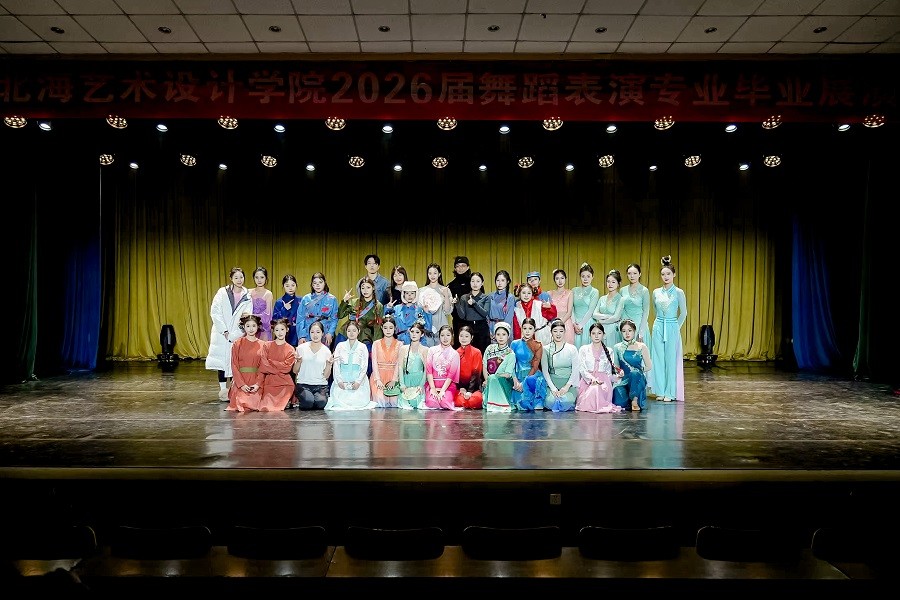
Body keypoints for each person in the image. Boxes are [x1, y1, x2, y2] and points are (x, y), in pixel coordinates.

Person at [206, 266, 253, 401]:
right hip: (221, 333)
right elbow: (215, 312)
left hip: (237, 334)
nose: (239, 280)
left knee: (234, 362)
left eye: (241, 277)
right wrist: (224, 331)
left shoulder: (247, 296)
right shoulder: (222, 293)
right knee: (221, 361)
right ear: (231, 278)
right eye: (236, 277)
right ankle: (222, 391)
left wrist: (237, 333)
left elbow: (247, 316)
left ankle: (233, 390)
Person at [650, 255, 688, 402]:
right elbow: (655, 310)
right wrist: (659, 323)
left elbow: (683, 313)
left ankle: (670, 392)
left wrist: (676, 327)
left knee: (671, 360)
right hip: (658, 326)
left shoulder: (679, 292)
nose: (665, 277)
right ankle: (660, 391)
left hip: (672, 326)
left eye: (668, 274)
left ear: (674, 275)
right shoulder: (656, 292)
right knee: (658, 359)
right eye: (663, 274)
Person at [336, 277, 384, 374]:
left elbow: (378, 327)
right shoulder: (354, 302)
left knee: (367, 360)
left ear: (373, 288)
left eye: (368, 287)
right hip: (347, 332)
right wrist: (344, 301)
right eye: (363, 288)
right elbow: (340, 315)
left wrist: (376, 344)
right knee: (339, 358)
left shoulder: (378, 306)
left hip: (365, 336)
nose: (365, 290)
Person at [325, 320, 374, 410]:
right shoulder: (340, 346)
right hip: (342, 379)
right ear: (346, 331)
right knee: (339, 402)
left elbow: (364, 366)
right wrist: (339, 381)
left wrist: (358, 382)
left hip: (358, 380)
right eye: (349, 331)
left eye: (354, 330)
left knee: (357, 403)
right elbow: (336, 365)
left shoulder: (362, 347)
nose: (351, 333)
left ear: (358, 331)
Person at [576, 323, 623, 413]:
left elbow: (609, 373)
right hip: (587, 382)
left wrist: (618, 377)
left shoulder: (609, 351)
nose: (596, 336)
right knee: (593, 389)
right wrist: (592, 379)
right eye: (593, 333)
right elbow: (582, 368)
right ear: (589, 335)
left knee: (596, 389)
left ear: (603, 335)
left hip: (603, 383)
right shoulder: (584, 349)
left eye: (599, 333)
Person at [226, 314, 264, 413]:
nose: (251, 329)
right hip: (241, 380)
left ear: (258, 327)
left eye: (253, 326)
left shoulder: (263, 345)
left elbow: (263, 367)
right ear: (243, 327)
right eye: (248, 326)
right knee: (242, 402)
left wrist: (258, 384)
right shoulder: (237, 343)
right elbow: (234, 365)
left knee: (256, 403)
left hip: (256, 380)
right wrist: (241, 384)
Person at [612, 319, 653, 412]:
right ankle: (629, 400)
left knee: (634, 373)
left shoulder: (642, 346)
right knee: (619, 403)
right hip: (624, 380)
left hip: (637, 378)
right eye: (624, 331)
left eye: (629, 330)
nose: (627, 333)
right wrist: (619, 372)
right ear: (621, 333)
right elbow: (616, 366)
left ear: (634, 331)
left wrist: (639, 370)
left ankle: (635, 400)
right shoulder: (617, 347)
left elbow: (649, 366)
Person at [292, 320, 334, 410]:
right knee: (308, 402)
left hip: (320, 385)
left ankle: (316, 399)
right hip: (304, 384)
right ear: (309, 333)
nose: (315, 335)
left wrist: (329, 365)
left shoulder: (326, 351)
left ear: (322, 333)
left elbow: (326, 376)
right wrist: (298, 362)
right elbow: (295, 371)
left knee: (321, 403)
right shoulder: (301, 348)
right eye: (312, 332)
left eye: (318, 332)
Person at [257, 318, 296, 412]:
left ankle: (287, 400)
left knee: (281, 406)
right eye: (277, 330)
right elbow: (264, 366)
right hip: (270, 382)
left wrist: (271, 362)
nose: (280, 332)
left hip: (285, 383)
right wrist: (279, 367)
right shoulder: (267, 346)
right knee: (265, 407)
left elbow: (287, 368)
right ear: (273, 331)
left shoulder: (290, 349)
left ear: (287, 330)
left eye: (282, 329)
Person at [540, 318, 579, 412]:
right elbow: (545, 371)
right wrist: (553, 388)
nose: (558, 334)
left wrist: (566, 387)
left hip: (568, 384)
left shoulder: (572, 348)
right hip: (552, 383)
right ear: (551, 332)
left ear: (565, 332)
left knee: (565, 401)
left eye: (561, 331)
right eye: (555, 331)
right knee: (550, 402)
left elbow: (575, 370)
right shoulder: (546, 349)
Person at [510, 318, 546, 411]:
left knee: (527, 397)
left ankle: (537, 400)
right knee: (518, 401)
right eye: (525, 328)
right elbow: (511, 364)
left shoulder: (538, 345)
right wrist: (515, 380)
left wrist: (523, 383)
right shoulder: (514, 344)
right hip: (517, 376)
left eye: (530, 328)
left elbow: (535, 366)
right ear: (521, 329)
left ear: (534, 330)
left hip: (531, 375)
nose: (527, 331)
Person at [385, 281, 434, 347]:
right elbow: (386, 323)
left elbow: (428, 328)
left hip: (417, 342)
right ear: (403, 294)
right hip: (400, 341)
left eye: (412, 293)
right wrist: (388, 308)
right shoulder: (397, 308)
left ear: (416, 294)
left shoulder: (420, 309)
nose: (409, 295)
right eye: (407, 293)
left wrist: (427, 313)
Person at [296, 272, 339, 348]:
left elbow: (334, 318)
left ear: (324, 283)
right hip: (308, 331)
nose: (317, 285)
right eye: (315, 283)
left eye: (320, 282)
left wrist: (330, 333)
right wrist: (301, 336)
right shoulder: (306, 299)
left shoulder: (332, 299)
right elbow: (300, 318)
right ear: (312, 285)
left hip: (325, 331)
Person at [424, 325, 461, 410]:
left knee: (444, 402)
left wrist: (442, 390)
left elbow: (451, 375)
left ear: (452, 336)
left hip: (447, 386)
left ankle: (448, 398)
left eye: (448, 335)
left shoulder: (455, 354)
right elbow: (429, 371)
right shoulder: (432, 350)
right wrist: (433, 388)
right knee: (431, 402)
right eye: (442, 335)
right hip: (433, 383)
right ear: (439, 336)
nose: (445, 338)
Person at [481, 321, 515, 412]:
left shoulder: (510, 353)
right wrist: (487, 380)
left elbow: (508, 374)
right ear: (495, 336)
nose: (501, 337)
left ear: (508, 336)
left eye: (504, 334)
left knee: (493, 378)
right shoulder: (489, 348)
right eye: (498, 334)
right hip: (489, 382)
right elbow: (484, 366)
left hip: (504, 383)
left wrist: (493, 378)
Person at [454, 271, 491, 354]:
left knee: (482, 352)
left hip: (482, 327)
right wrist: (457, 304)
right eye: (473, 281)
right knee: (468, 352)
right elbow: (462, 316)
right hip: (468, 327)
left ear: (482, 283)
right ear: (470, 283)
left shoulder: (486, 297)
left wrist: (475, 304)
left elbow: (485, 313)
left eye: (478, 281)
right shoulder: (464, 297)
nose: (475, 284)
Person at [370, 315, 402, 408]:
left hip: (393, 376)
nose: (388, 330)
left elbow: (398, 364)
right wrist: (377, 380)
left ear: (395, 328)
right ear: (381, 328)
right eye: (385, 328)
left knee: (395, 401)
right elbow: (374, 362)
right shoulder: (376, 343)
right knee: (379, 399)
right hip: (379, 376)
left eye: (391, 328)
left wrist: (394, 380)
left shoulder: (400, 344)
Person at [398, 322, 429, 410]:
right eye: (412, 332)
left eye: (417, 332)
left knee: (416, 401)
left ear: (422, 334)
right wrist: (402, 384)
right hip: (407, 380)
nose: (414, 334)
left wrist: (421, 385)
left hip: (419, 380)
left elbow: (426, 369)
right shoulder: (403, 348)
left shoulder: (425, 350)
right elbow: (400, 367)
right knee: (405, 402)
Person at [620, 262, 652, 348]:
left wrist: (641, 333)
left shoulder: (644, 290)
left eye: (635, 273)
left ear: (639, 274)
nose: (632, 276)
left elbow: (646, 312)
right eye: (629, 273)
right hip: (626, 326)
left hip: (639, 325)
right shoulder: (622, 290)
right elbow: (621, 309)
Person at [572, 262, 600, 349]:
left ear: (592, 277)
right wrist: (574, 324)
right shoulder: (574, 290)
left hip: (588, 323)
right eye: (583, 276)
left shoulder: (594, 291)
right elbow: (571, 309)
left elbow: (591, 311)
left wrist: (580, 325)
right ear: (580, 277)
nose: (585, 279)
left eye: (588, 276)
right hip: (575, 324)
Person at [419, 263, 453, 336]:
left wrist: (446, 296)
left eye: (435, 273)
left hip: (441, 327)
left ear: (439, 274)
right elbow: (419, 311)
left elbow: (447, 311)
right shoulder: (421, 291)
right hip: (426, 326)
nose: (432, 276)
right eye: (430, 273)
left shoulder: (445, 290)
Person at [455, 325, 484, 409]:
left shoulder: (476, 352)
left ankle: (468, 401)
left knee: (474, 401)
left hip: (474, 388)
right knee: (459, 401)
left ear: (472, 337)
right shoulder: (456, 352)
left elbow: (476, 373)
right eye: (461, 336)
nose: (463, 338)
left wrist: (470, 391)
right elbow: (455, 373)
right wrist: (461, 388)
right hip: (460, 388)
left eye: (466, 336)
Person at [594, 268, 625, 347]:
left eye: (613, 282)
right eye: (608, 281)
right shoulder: (602, 298)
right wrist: (607, 316)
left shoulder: (621, 299)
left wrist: (601, 321)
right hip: (600, 329)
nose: (610, 284)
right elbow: (594, 314)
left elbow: (616, 317)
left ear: (618, 284)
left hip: (612, 330)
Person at [448, 256, 472, 346]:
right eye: (458, 266)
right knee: (458, 347)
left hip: (473, 321)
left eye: (463, 265)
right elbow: (450, 306)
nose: (460, 268)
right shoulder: (451, 285)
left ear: (468, 267)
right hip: (458, 322)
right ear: (455, 268)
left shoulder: (474, 282)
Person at [272, 274, 301, 347]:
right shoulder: (279, 302)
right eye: (287, 286)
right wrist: (284, 309)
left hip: (297, 334)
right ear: (283, 286)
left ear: (296, 285)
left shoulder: (301, 301)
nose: (290, 288)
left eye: (293, 285)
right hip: (282, 335)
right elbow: (274, 320)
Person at [548, 268, 575, 344]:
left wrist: (559, 324)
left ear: (565, 279)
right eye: (557, 278)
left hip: (566, 323)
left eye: (562, 278)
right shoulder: (549, 293)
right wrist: (553, 325)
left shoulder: (570, 293)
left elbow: (569, 312)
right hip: (553, 324)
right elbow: (547, 311)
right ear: (554, 280)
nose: (560, 281)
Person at [488, 269, 516, 339]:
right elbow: (486, 315)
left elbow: (509, 318)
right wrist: (489, 331)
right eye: (498, 280)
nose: (500, 283)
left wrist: (500, 332)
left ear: (507, 281)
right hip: (491, 327)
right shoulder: (490, 296)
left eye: (503, 280)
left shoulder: (510, 297)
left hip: (504, 328)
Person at [250, 266, 274, 341]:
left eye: (262, 277)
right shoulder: (249, 292)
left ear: (266, 278)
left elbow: (268, 315)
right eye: (256, 277)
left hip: (263, 328)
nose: (259, 280)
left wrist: (252, 316)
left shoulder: (268, 294)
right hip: (250, 327)